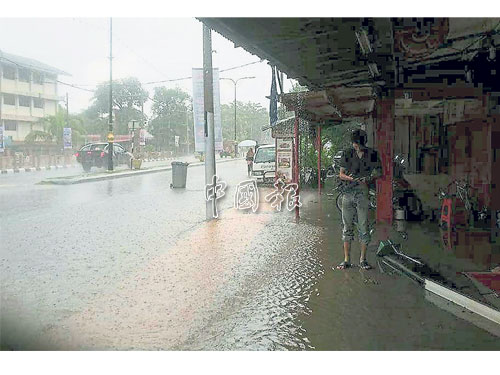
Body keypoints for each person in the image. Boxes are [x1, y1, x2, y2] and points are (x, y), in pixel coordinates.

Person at [336, 129, 382, 270]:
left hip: (362, 192)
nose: (356, 146)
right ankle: (346, 260)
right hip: (347, 193)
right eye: (355, 144)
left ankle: (363, 259)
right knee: (347, 227)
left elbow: (379, 172)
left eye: (359, 144)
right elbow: (341, 174)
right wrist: (351, 178)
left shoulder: (372, 154)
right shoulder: (347, 153)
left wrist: (368, 178)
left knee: (364, 227)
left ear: (364, 143)